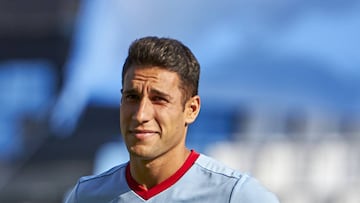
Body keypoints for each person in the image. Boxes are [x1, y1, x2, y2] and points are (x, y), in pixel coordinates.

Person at [65, 36, 279, 203]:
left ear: (191, 109)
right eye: (132, 97)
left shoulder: (236, 195)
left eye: (159, 99)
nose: (141, 114)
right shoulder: (86, 196)